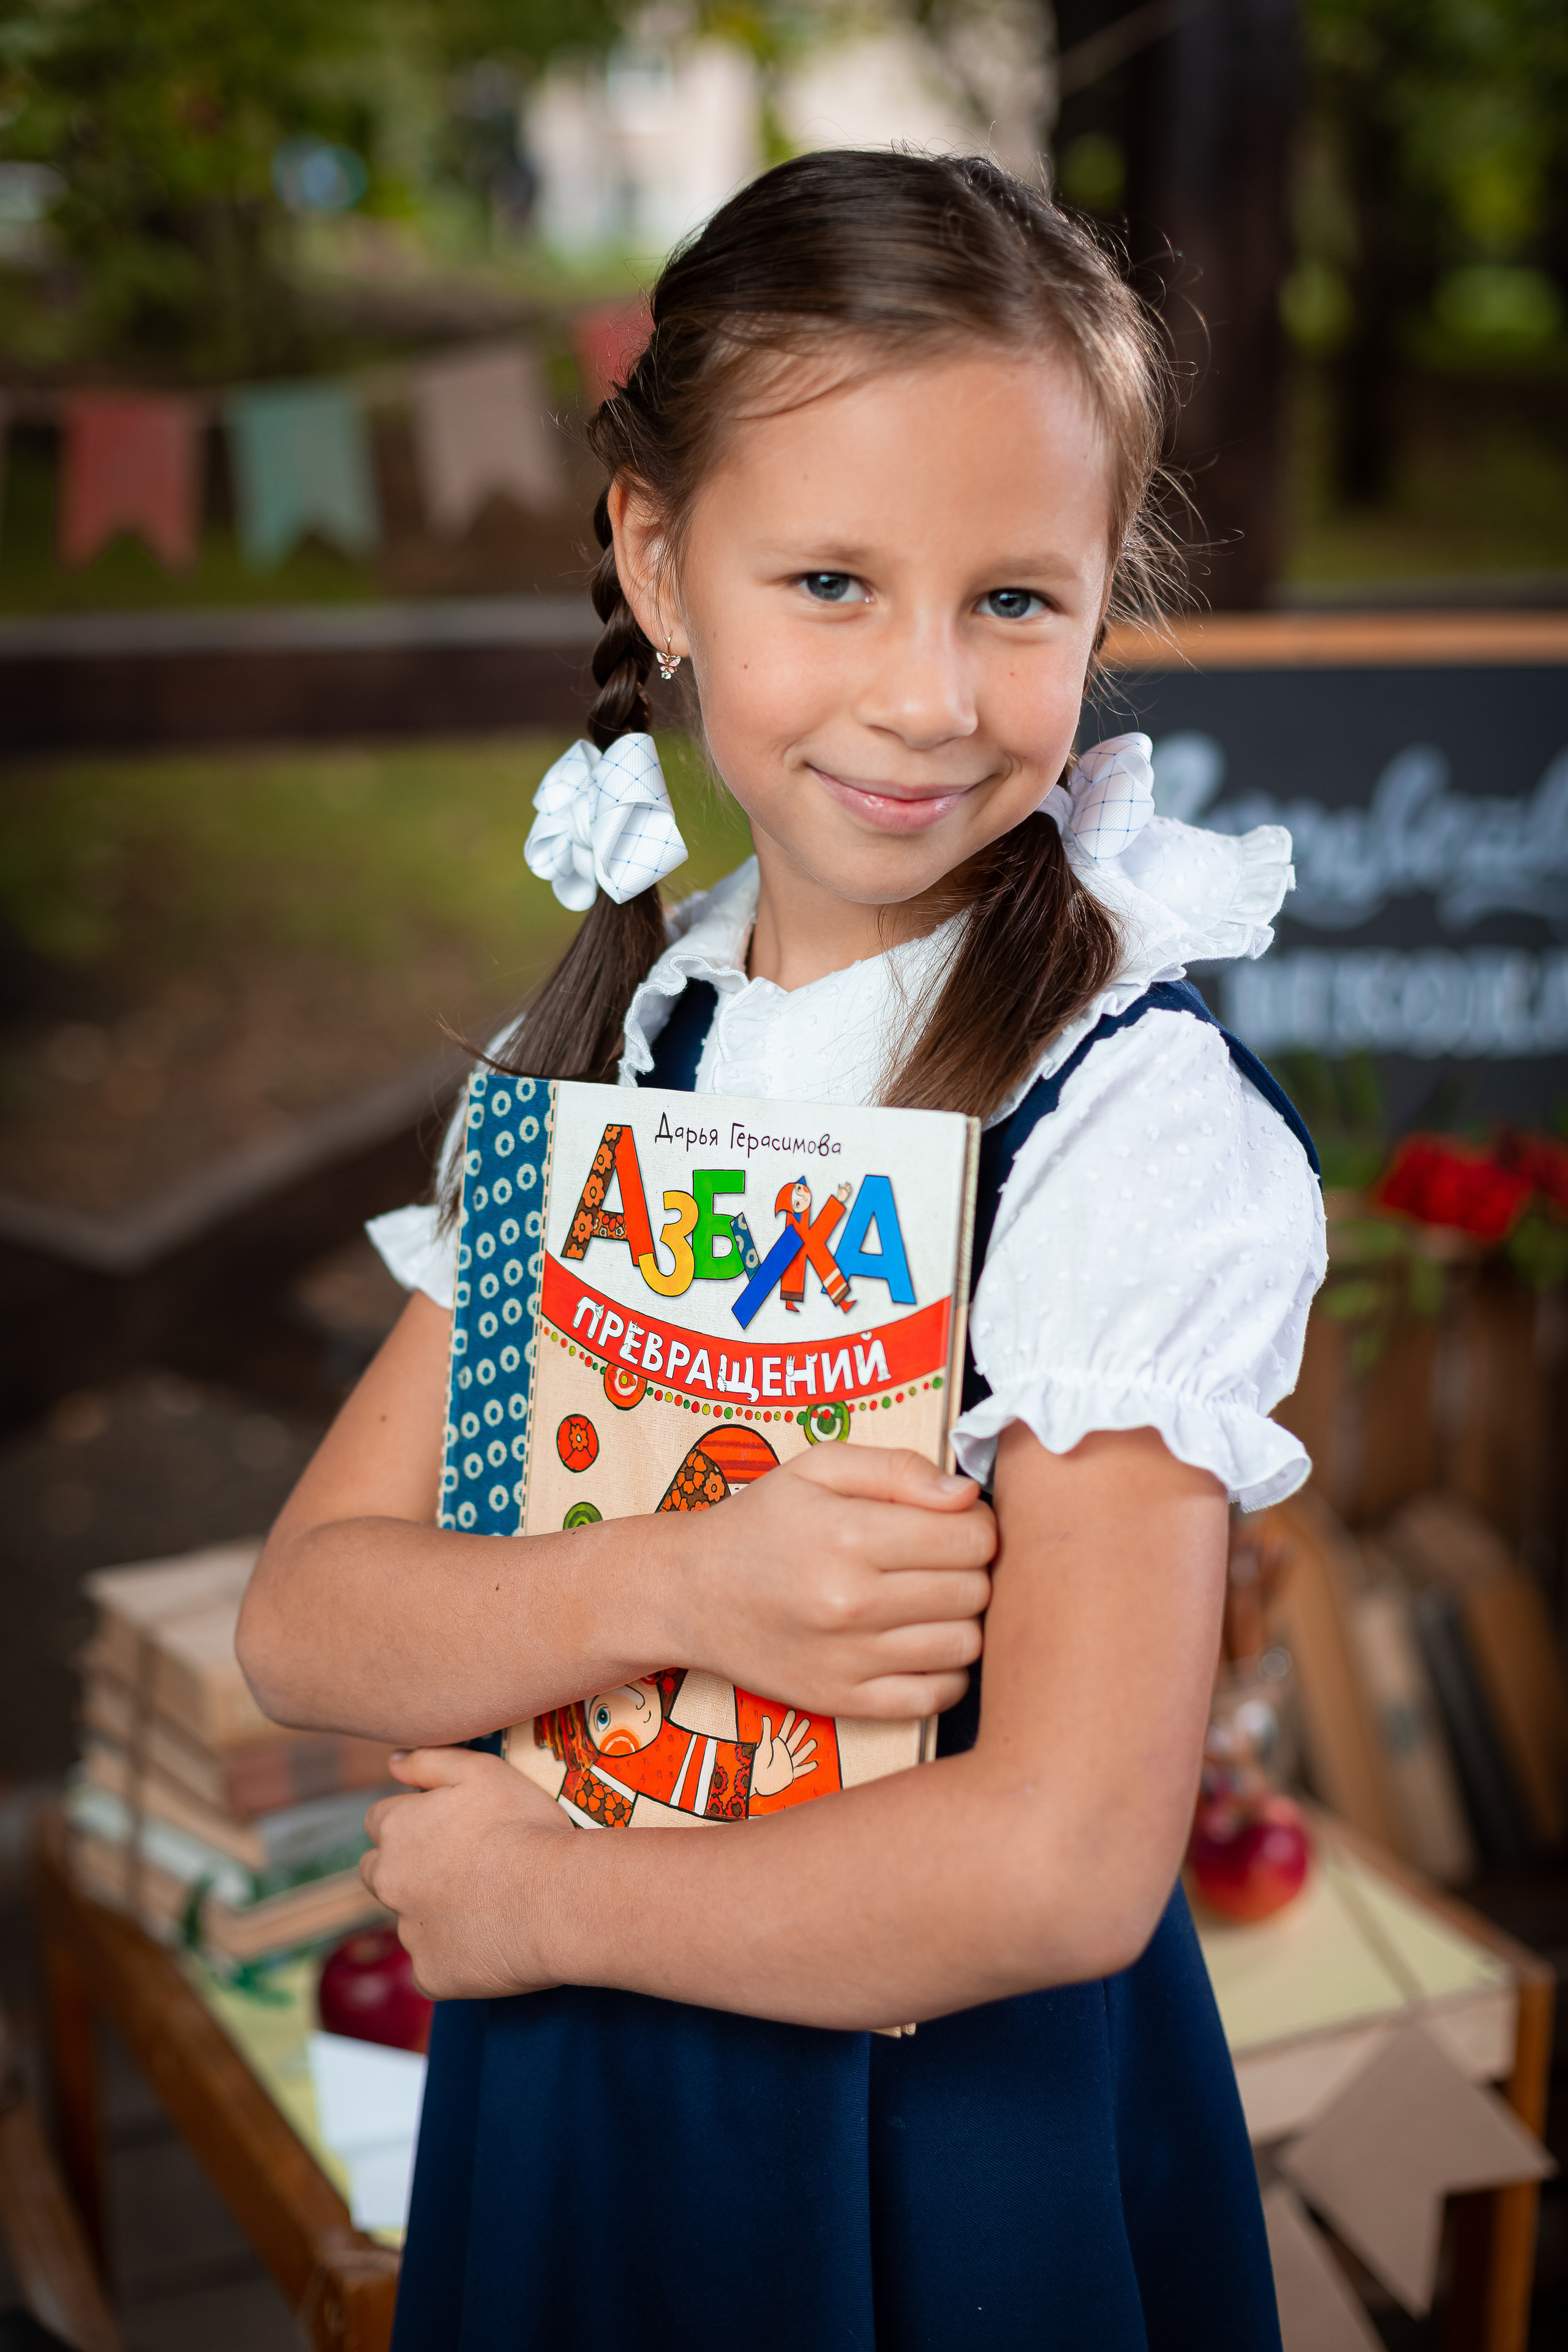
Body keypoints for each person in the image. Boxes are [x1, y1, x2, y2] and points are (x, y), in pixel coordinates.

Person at [237, 149, 1324, 2349]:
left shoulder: (1122, 1123)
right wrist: (680, 1586)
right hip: (595, 2108)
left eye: (1016, 600)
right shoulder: (638, 1040)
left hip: (939, 2150)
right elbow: (311, 1623)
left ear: (1105, 594)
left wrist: (550, 1900)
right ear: (659, 559)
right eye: (832, 579)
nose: (928, 695)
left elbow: (1059, 1866)